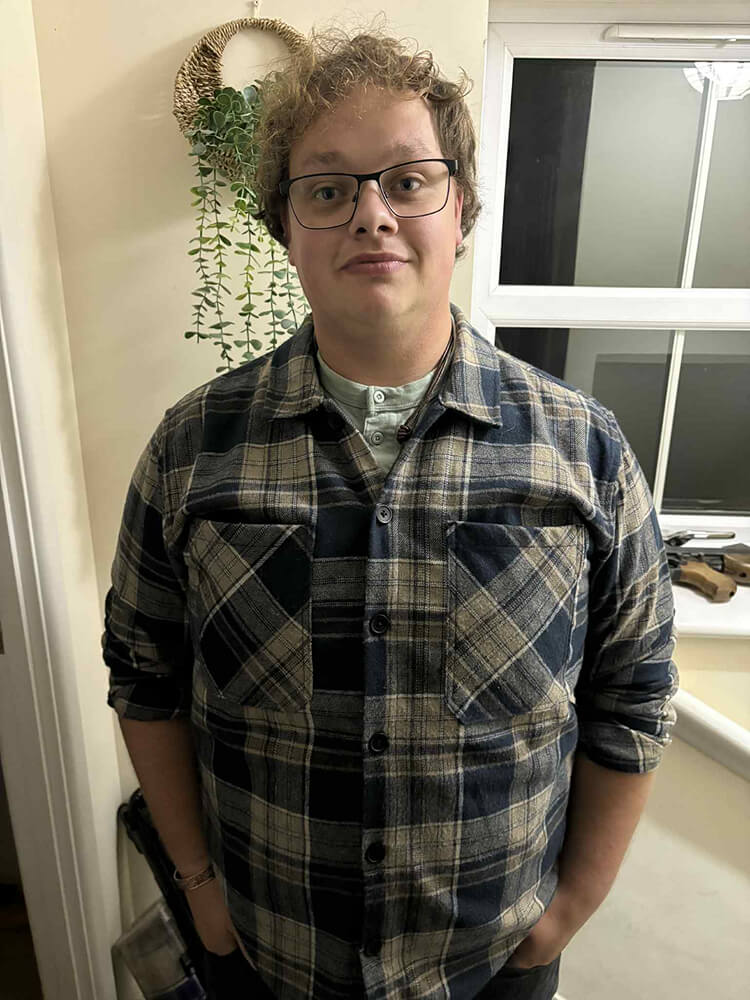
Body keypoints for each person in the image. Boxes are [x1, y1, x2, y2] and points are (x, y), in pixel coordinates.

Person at [102, 23, 679, 1000]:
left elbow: (634, 693)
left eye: (408, 181)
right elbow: (144, 674)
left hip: (491, 966)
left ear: (463, 211)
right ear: (285, 229)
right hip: (268, 954)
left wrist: (571, 905)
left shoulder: (584, 450)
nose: (372, 215)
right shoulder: (190, 449)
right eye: (328, 191)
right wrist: (198, 886)